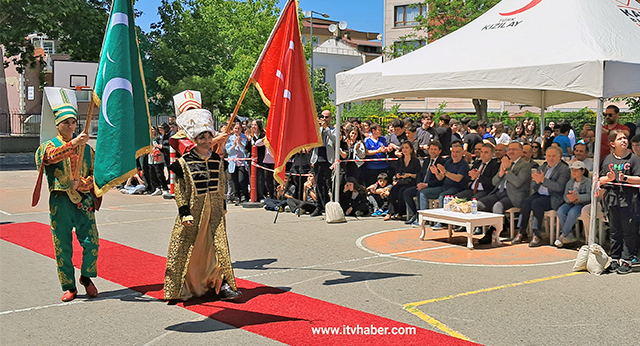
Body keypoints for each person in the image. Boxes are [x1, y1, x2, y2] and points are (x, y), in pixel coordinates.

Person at [164, 106, 241, 302]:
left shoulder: (217, 160)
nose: (206, 141)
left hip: (214, 213)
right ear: (194, 140)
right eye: (202, 138)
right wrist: (184, 212)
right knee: (189, 247)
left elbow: (222, 185)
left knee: (216, 247)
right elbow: (180, 190)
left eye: (208, 137)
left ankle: (220, 283)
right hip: (193, 212)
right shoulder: (183, 163)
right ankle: (180, 287)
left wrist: (222, 206)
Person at [34, 87, 100, 302]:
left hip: (83, 200)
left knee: (91, 241)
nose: (71, 127)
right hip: (60, 201)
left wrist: (84, 183)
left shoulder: (87, 149)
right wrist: (73, 144)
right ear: (57, 125)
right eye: (66, 123)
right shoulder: (46, 146)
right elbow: (49, 159)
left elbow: (96, 175)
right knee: (62, 244)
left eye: (73, 123)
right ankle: (69, 285)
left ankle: (86, 276)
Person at [599, 130, 640, 274]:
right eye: (620, 138)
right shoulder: (607, 159)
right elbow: (601, 179)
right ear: (612, 143)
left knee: (629, 231)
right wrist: (609, 179)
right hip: (612, 199)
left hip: (629, 200)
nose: (624, 140)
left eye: (625, 138)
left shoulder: (633, 159)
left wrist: (626, 179)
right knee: (614, 230)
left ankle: (627, 259)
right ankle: (615, 258)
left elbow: (639, 178)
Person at [512, 146, 570, 247]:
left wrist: (543, 181)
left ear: (559, 157)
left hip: (553, 197)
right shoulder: (543, 167)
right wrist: (537, 181)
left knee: (537, 203)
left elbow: (559, 187)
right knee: (525, 202)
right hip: (539, 194)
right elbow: (533, 185)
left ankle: (537, 234)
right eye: (548, 156)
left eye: (553, 156)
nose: (550, 158)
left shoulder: (563, 169)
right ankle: (522, 231)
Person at [477, 142, 532, 215]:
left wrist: (507, 169)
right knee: (478, 204)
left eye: (514, 149)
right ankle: (481, 226)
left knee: (497, 206)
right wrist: (500, 174)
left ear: (521, 152)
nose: (511, 151)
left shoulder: (525, 165)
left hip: (513, 195)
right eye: (509, 149)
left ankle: (497, 226)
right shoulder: (505, 162)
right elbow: (494, 182)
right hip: (499, 192)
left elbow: (518, 183)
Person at [404, 141, 445, 225]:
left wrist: (427, 185)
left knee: (421, 193)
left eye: (435, 149)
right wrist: (419, 183)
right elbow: (420, 174)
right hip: (422, 184)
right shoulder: (426, 161)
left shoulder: (442, 162)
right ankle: (414, 214)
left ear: (439, 151)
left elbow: (440, 180)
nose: (432, 151)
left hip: (433, 186)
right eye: (431, 149)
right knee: (407, 192)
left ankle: (423, 218)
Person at [555, 161, 591, 247]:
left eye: (577, 170)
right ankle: (569, 234)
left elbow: (590, 195)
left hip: (582, 204)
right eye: (572, 170)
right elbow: (565, 196)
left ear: (583, 171)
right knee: (561, 210)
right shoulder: (570, 182)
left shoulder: (588, 182)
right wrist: (570, 199)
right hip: (571, 203)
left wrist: (578, 197)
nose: (574, 172)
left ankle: (563, 235)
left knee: (573, 212)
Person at [384, 141, 421, 221]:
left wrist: (409, 175)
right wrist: (397, 176)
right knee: (393, 190)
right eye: (403, 148)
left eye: (407, 148)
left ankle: (401, 213)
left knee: (402, 191)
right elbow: (396, 172)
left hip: (411, 181)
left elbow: (418, 175)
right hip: (401, 181)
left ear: (411, 149)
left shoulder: (415, 161)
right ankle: (390, 212)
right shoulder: (400, 160)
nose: (405, 150)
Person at [310, 110, 337, 217]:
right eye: (322, 117)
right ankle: (319, 206)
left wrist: (326, 128)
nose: (324, 119)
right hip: (317, 159)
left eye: (326, 117)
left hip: (328, 160)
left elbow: (335, 139)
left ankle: (329, 205)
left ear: (330, 118)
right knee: (318, 184)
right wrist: (318, 126)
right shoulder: (318, 130)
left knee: (328, 185)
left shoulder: (333, 130)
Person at [226, 122, 250, 204]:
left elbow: (245, 150)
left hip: (242, 162)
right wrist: (233, 144)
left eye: (239, 128)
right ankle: (238, 197)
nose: (237, 130)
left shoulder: (244, 137)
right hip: (233, 162)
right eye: (235, 128)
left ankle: (245, 195)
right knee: (235, 181)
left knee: (242, 180)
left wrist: (239, 143)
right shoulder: (230, 138)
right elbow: (228, 151)